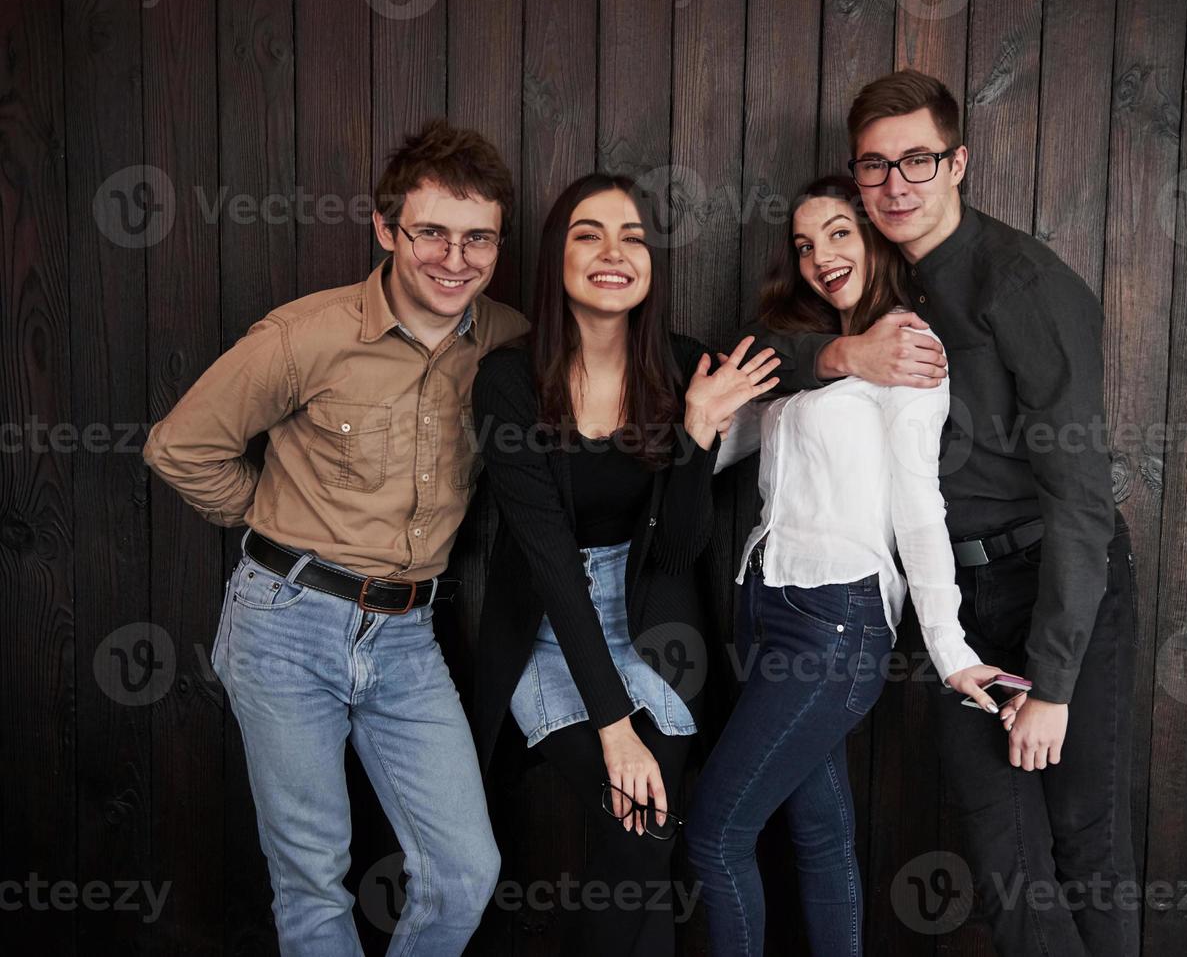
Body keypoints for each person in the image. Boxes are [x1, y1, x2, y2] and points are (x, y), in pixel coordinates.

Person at [750, 71, 1141, 957]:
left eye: (917, 161)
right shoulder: (874, 279)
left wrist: (1052, 684)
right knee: (1002, 859)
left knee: (1085, 841)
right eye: (874, 167)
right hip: (953, 603)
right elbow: (764, 348)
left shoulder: (1025, 284)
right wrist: (842, 350)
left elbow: (1080, 495)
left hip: (1056, 584)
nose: (895, 185)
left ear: (958, 162)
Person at [142, 118, 527, 954]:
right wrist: (276, 522)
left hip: (408, 639)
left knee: (465, 868)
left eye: (477, 240)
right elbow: (180, 447)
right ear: (386, 229)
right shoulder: (304, 336)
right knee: (312, 878)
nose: (454, 259)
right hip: (285, 623)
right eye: (430, 232)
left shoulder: (508, 340)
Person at [686, 175, 1025, 957]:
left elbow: (919, 505)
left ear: (874, 235)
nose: (820, 257)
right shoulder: (806, 358)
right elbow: (715, 449)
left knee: (714, 834)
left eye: (838, 233)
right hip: (765, 606)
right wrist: (692, 427)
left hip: (835, 623)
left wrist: (949, 648)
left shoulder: (909, 347)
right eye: (804, 245)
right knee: (820, 836)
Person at [470, 173, 779, 956]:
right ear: (555, 259)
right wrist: (614, 728)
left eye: (632, 236)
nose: (613, 252)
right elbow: (546, 562)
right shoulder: (506, 381)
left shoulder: (684, 366)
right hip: (550, 619)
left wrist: (696, 435)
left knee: (647, 847)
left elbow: (677, 548)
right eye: (587, 234)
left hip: (656, 618)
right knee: (640, 834)